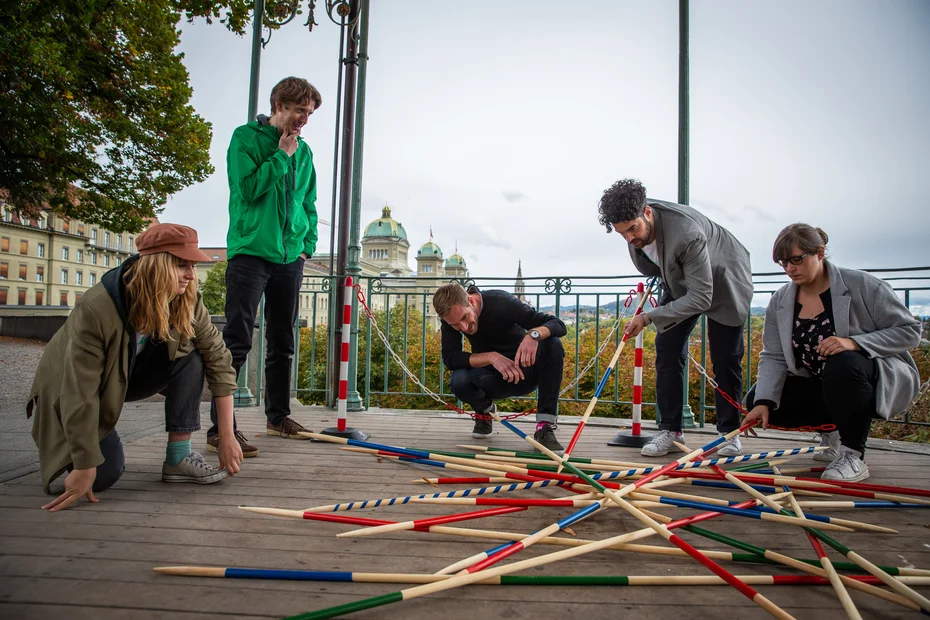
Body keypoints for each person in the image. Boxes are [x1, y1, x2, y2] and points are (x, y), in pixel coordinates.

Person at [27, 223, 243, 512]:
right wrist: (84, 462)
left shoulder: (187, 298)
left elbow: (219, 359)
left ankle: (178, 458)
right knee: (101, 476)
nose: (191, 275)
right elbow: (79, 391)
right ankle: (88, 440)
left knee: (193, 355)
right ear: (157, 266)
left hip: (126, 376)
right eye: (182, 265)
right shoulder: (97, 307)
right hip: (71, 390)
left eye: (192, 265)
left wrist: (226, 435)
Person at [743, 224, 921, 482]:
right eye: (783, 263)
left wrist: (855, 343)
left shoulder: (864, 285)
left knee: (842, 363)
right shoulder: (781, 300)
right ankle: (835, 431)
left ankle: (852, 455)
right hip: (820, 383)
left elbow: (910, 331)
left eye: (796, 259)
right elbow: (774, 355)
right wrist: (763, 402)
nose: (789, 269)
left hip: (867, 378)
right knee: (761, 399)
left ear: (820, 252)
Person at [597, 179, 754, 458]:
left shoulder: (686, 234)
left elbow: (702, 297)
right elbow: (655, 265)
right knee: (667, 349)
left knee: (725, 358)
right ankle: (670, 429)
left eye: (633, 229)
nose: (630, 239)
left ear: (647, 212)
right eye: (623, 234)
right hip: (681, 281)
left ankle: (728, 434)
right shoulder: (634, 223)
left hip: (723, 281)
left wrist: (646, 318)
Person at [206, 77, 322, 455]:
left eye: (308, 112)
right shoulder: (245, 139)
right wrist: (281, 155)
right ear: (278, 105)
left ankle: (278, 418)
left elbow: (309, 204)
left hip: (289, 257)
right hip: (250, 252)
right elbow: (249, 189)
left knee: (283, 341)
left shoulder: (305, 154)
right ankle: (218, 429)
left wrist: (306, 247)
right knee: (238, 338)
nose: (304, 118)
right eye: (298, 109)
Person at [433, 282, 567, 454]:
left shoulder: (501, 302)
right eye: (456, 325)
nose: (464, 328)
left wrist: (533, 335)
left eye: (465, 318)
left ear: (471, 301)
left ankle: (544, 427)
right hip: (492, 379)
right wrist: (492, 356)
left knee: (553, 343)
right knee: (459, 380)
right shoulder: (450, 318)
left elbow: (558, 324)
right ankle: (484, 413)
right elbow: (450, 358)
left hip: (525, 372)